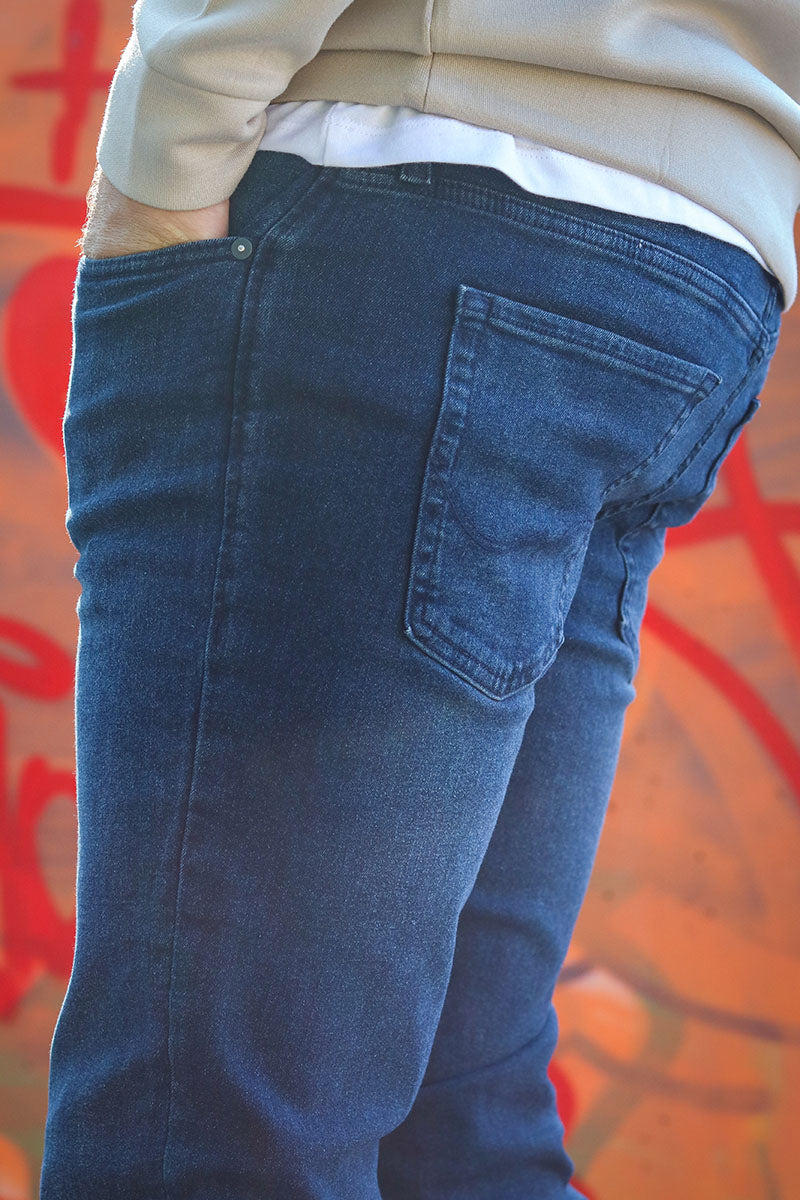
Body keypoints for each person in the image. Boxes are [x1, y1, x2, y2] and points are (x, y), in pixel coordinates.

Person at [40, 2, 796, 1197]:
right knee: (452, 1117)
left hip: (400, 192)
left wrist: (164, 155)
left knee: (206, 1129)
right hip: (693, 269)